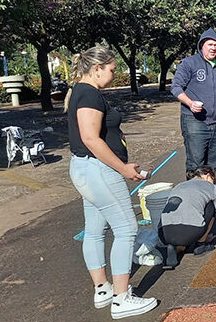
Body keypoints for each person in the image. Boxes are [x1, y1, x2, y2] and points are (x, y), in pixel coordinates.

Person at [66, 46, 157, 319]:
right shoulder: (90, 93)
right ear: (96, 68)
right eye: (112, 70)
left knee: (94, 229)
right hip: (98, 170)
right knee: (126, 228)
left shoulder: (81, 92)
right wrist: (123, 168)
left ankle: (103, 289)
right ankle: (121, 298)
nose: (114, 75)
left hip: (86, 169)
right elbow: (91, 139)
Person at [158, 166, 216, 269]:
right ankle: (200, 243)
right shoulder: (212, 188)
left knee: (179, 208)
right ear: (208, 175)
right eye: (213, 180)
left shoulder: (178, 186)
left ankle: (175, 246)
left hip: (163, 232)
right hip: (191, 230)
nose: (213, 183)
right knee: (211, 205)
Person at [171, 28, 216, 175]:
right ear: (201, 45)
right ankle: (195, 195)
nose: (213, 48)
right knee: (196, 162)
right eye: (210, 45)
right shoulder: (189, 63)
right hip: (195, 121)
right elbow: (175, 87)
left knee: (214, 162)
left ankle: (210, 193)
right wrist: (190, 103)